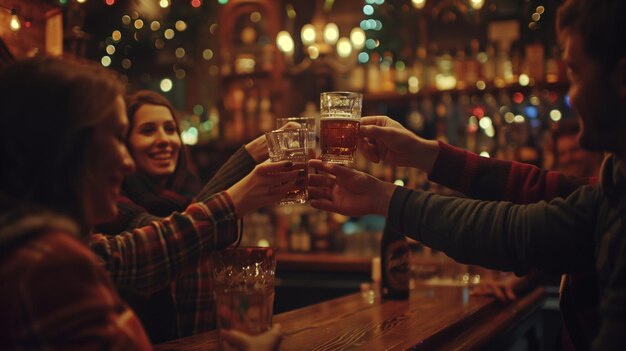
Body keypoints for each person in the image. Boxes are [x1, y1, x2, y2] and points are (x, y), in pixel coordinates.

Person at [308, 0, 626, 349]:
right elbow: (528, 215)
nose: (570, 94)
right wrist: (423, 157)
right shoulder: (614, 188)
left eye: (576, 73)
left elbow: (522, 230)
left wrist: (385, 196)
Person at [0, 56, 291, 350]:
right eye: (116, 137)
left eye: (170, 129)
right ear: (62, 146)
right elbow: (156, 246)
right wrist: (241, 176)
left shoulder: (43, 247)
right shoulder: (50, 265)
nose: (125, 161)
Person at [94, 90, 276, 341]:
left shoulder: (188, 189)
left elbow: (192, 216)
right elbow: (173, 234)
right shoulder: (112, 204)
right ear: (124, 144)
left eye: (170, 129)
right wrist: (245, 160)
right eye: (148, 131)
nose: (164, 140)